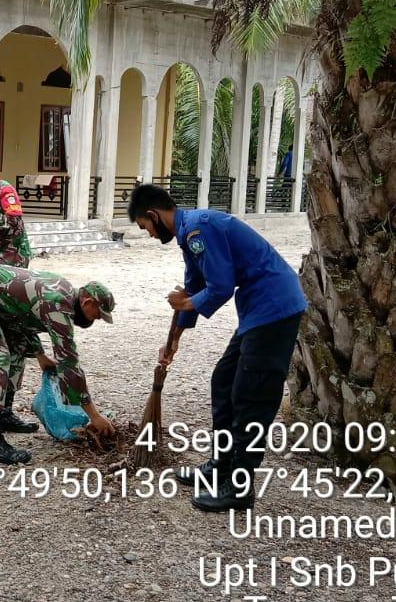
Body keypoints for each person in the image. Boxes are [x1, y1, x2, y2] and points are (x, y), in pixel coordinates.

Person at [128, 182, 307, 513]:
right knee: (223, 381)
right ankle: (220, 467)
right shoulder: (189, 234)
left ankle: (240, 488)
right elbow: (195, 286)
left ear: (153, 215)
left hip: (275, 308)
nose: (149, 235)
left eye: (145, 227)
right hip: (258, 310)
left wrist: (186, 303)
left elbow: (220, 287)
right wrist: (174, 340)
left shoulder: (199, 228)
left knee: (251, 395)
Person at [0, 264, 116, 465]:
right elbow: (69, 362)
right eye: (97, 314)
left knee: (17, 348)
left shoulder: (65, 293)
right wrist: (93, 415)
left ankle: (2, 415)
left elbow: (24, 317)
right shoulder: (58, 303)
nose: (96, 319)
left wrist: (40, 356)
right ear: (87, 301)